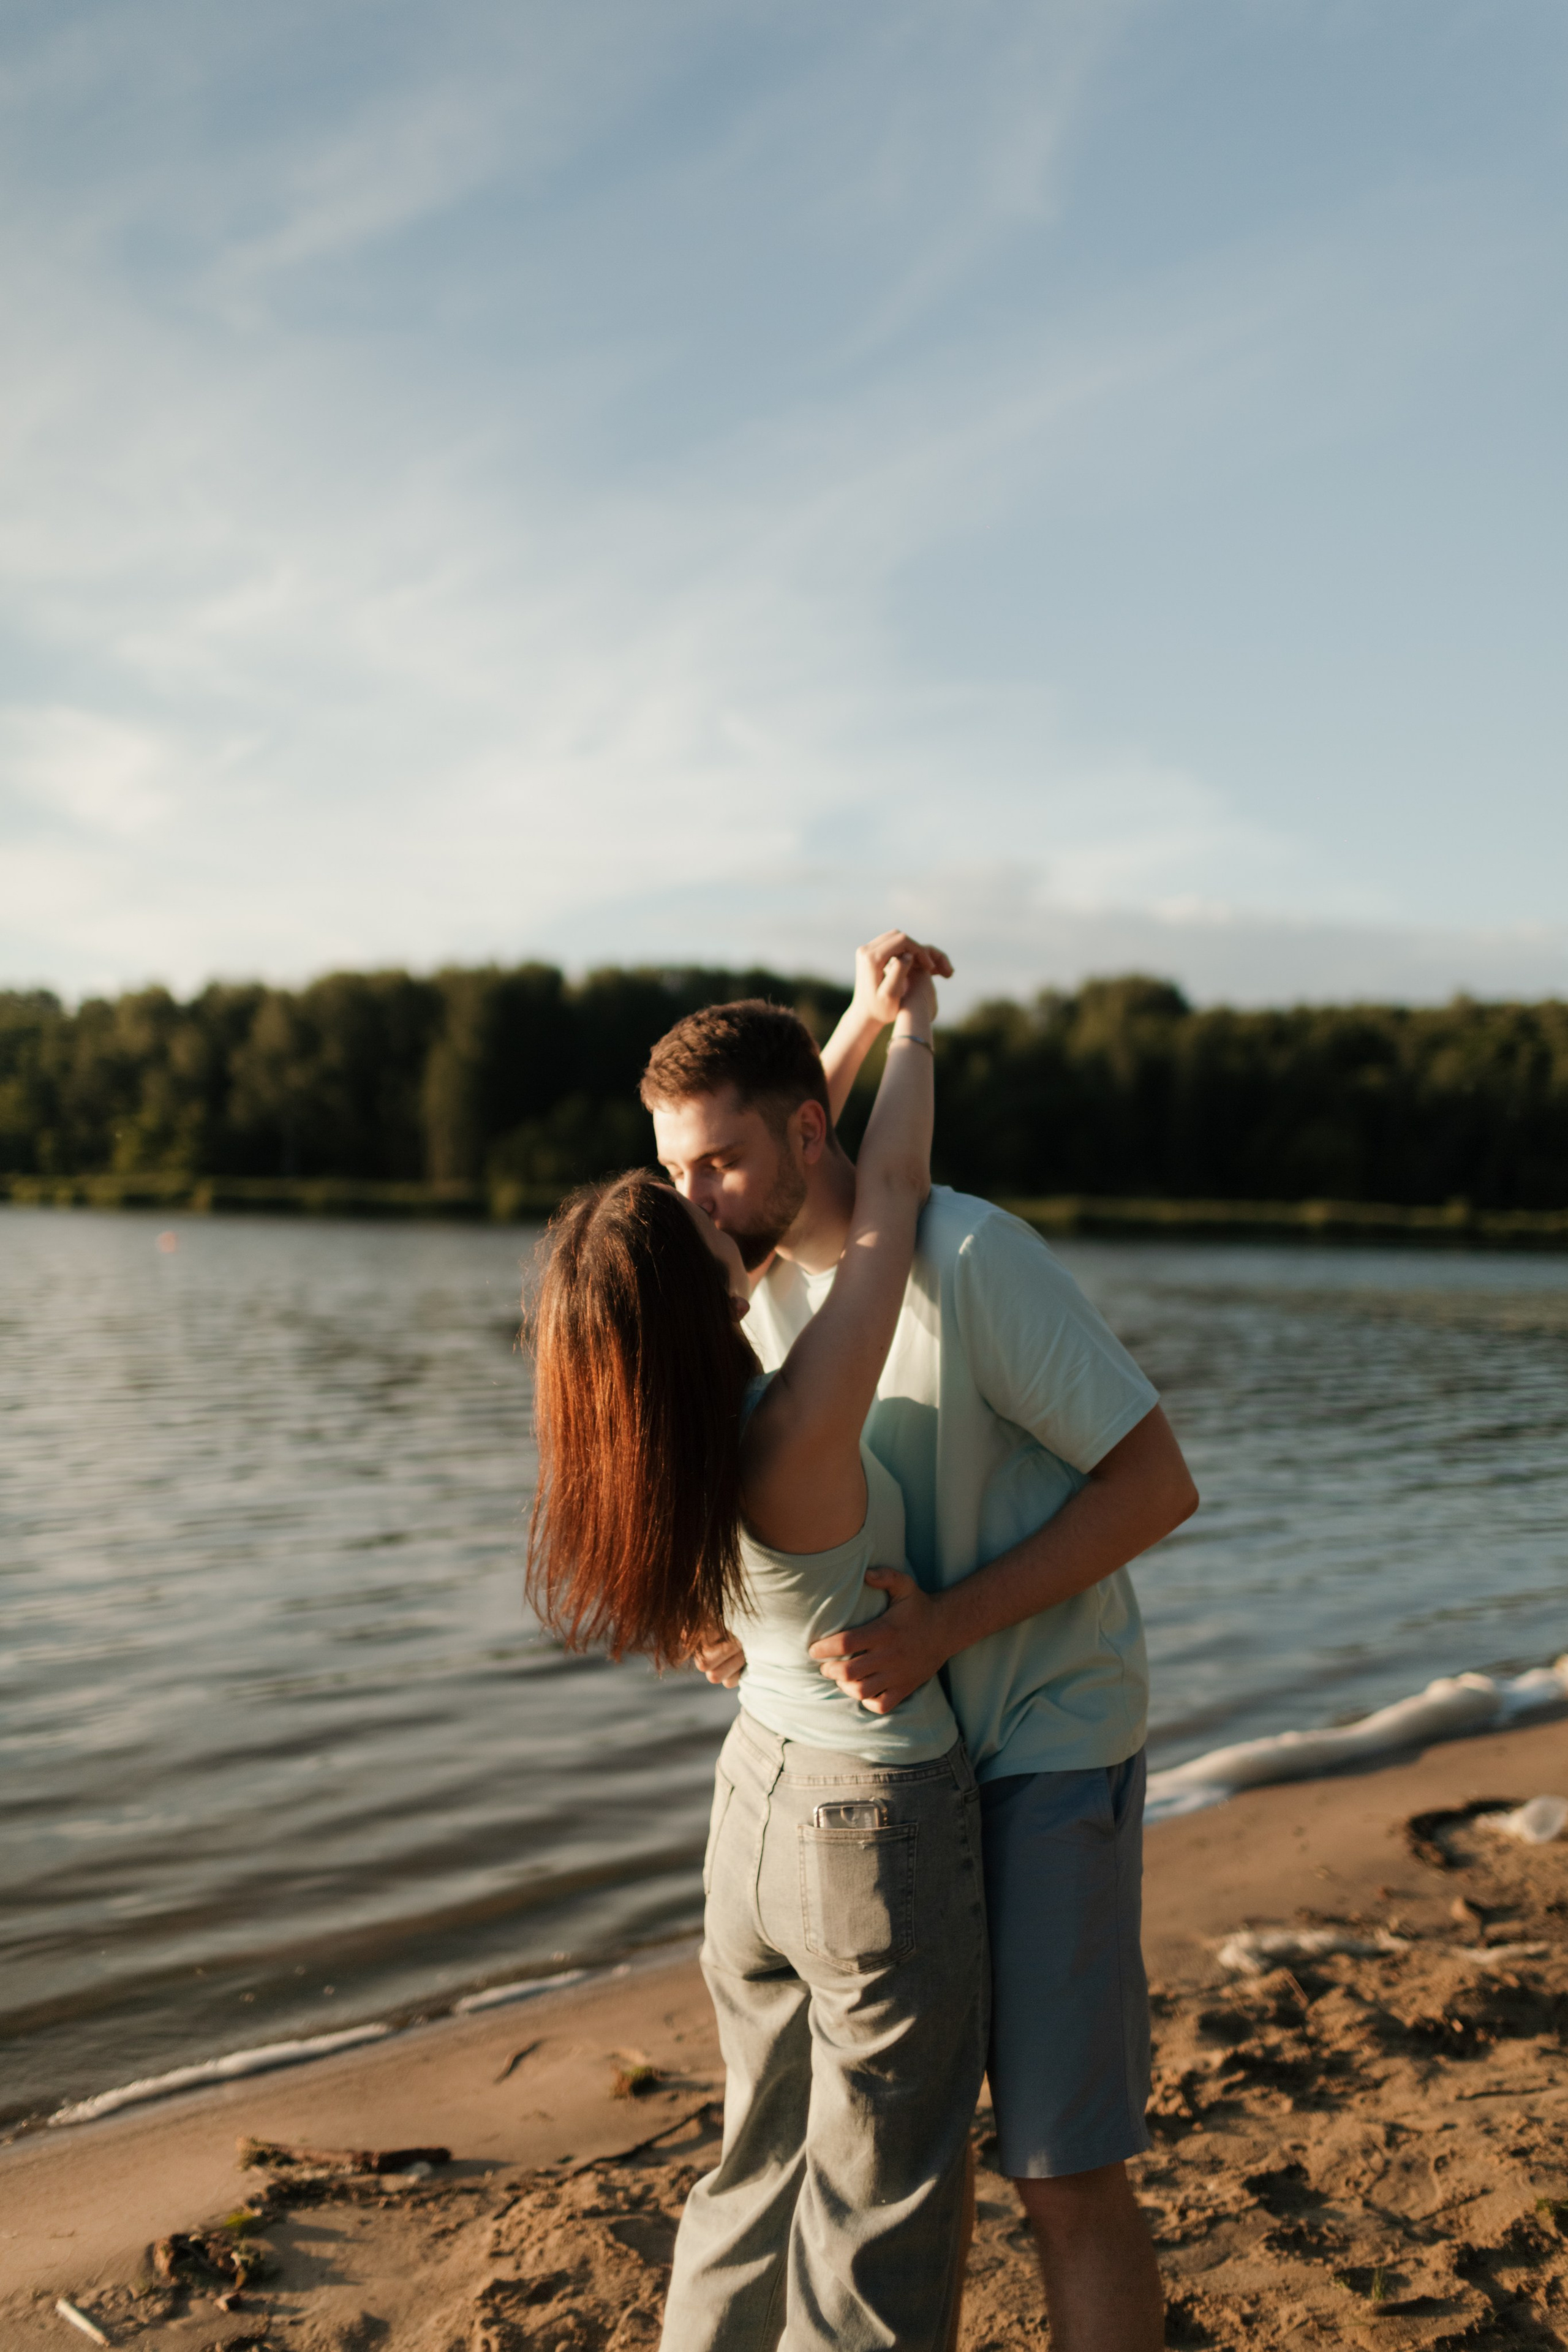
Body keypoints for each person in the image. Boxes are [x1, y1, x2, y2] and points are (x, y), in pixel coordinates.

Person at [642, 931, 1200, 2352]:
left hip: (1038, 1745)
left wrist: (946, 1625)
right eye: (672, 1170)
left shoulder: (972, 1257)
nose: (686, 1200)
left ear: (803, 1134)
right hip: (892, 1781)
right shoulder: (750, 1278)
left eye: (709, 1165)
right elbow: (799, 1142)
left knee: (1061, 2172)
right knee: (858, 2158)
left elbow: (1156, 1487)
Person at [527, 959, 988, 2352]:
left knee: (750, 2169)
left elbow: (774, 1167)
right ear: (705, 1285)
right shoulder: (789, 1439)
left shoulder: (639, 1450)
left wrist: (840, 1030)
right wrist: (914, 1031)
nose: (710, 1201)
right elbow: (885, 1199)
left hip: (751, 1818)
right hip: (874, 1833)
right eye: (690, 1212)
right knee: (875, 2218)